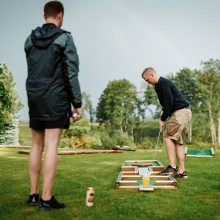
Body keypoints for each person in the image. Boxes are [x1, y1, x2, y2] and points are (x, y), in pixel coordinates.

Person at [24, 1, 82, 211]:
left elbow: (33, 68)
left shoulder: (30, 39)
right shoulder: (64, 38)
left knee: (36, 145)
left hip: (34, 95)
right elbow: (71, 72)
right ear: (60, 15)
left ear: (44, 15)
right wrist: (77, 103)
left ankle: (33, 196)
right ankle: (46, 200)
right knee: (50, 147)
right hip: (55, 97)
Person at [142, 67, 192, 178]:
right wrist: (163, 111)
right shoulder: (159, 86)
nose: (148, 83)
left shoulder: (162, 84)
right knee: (177, 142)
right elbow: (167, 103)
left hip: (180, 113)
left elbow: (169, 103)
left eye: (147, 80)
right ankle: (182, 172)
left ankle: (172, 167)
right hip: (185, 112)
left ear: (152, 75)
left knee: (167, 137)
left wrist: (162, 119)